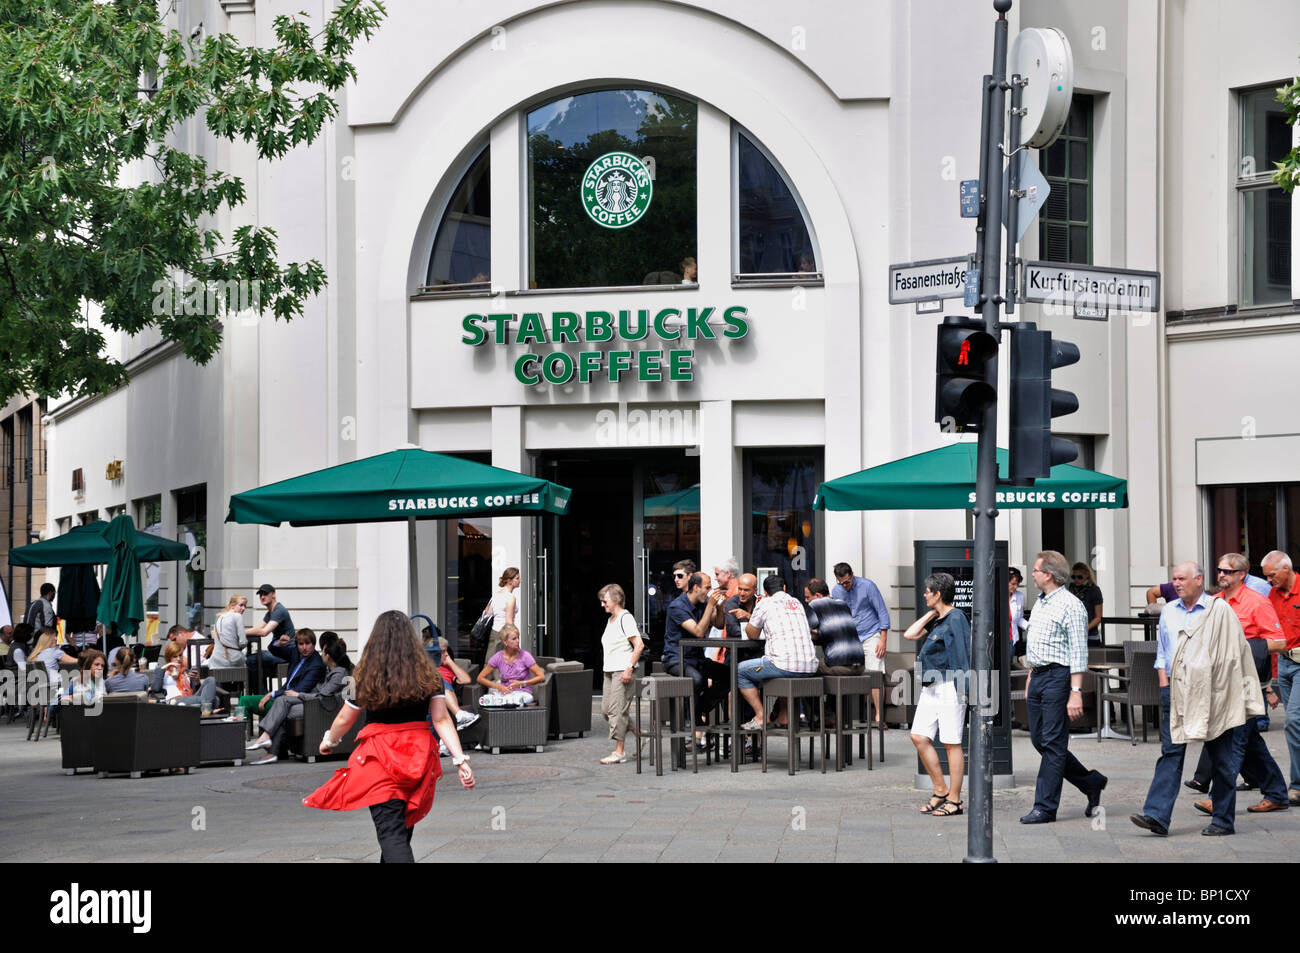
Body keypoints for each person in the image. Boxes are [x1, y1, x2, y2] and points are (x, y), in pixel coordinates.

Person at [304, 610, 475, 863]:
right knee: (399, 832)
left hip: (380, 759)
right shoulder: (430, 676)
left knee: (392, 834)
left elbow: (345, 718)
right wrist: (460, 760)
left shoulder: (364, 676)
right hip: (417, 757)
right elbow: (441, 719)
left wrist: (329, 740)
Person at [1131, 561, 1264, 837]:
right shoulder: (1168, 611)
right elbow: (1164, 653)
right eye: (1174, 579)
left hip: (1214, 694)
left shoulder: (1219, 610)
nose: (1176, 583)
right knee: (1170, 753)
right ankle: (1156, 815)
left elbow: (1234, 653)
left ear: (1198, 580)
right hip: (1176, 691)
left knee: (1222, 758)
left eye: (1181, 578)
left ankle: (1223, 820)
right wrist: (1164, 685)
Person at [1185, 552, 1284, 800]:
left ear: (1242, 575)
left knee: (1233, 742)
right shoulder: (1214, 602)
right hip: (1219, 682)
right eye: (1219, 570)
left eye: (1227, 571)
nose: (1221, 575)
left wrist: (1241, 647)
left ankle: (1217, 800)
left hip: (1248, 682)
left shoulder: (1257, 602)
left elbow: (1279, 642)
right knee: (1249, 742)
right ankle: (1277, 793)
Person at [1020, 550, 1107, 824]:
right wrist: (1030, 677)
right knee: (1040, 741)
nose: (1032, 574)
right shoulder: (1042, 602)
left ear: (1048, 574)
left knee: (1054, 744)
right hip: (1038, 676)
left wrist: (1075, 692)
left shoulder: (1071, 605)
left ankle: (1044, 807)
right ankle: (1090, 781)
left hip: (1059, 677)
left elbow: (1079, 652)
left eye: (1035, 570)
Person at [903, 573, 971, 818]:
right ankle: (940, 790)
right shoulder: (939, 619)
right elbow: (909, 634)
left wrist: (964, 691)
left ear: (937, 594)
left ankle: (954, 800)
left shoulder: (956, 619)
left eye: (927, 591)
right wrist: (932, 613)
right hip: (931, 686)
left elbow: (962, 655)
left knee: (952, 743)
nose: (924, 594)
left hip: (949, 686)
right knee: (919, 736)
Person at [247, 640, 353, 764]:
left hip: (319, 706)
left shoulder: (339, 673)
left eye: (323, 651)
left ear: (328, 655)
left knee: (283, 707)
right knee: (282, 703)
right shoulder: (331, 670)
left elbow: (323, 695)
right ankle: (269, 745)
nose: (321, 654)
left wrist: (299, 695)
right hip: (314, 703)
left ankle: (269, 745)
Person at [737, 574, 818, 729]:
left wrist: (752, 616)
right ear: (784, 588)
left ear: (765, 592)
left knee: (740, 671)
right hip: (809, 667)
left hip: (783, 666)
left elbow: (752, 634)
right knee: (778, 664)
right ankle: (784, 717)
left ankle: (761, 716)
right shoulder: (797, 603)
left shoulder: (765, 603)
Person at [661, 571, 726, 736]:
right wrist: (711, 605)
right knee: (696, 680)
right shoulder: (677, 607)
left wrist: (719, 607)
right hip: (676, 659)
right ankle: (690, 722)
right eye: (708, 587)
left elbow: (718, 624)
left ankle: (699, 711)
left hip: (696, 658)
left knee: (730, 674)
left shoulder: (703, 603)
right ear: (696, 587)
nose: (710, 591)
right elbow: (698, 632)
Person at [1262, 550, 1300, 805]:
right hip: (1284, 665)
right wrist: (1269, 682)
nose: (1268, 580)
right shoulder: (1271, 595)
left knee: (1293, 721)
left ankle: (1297, 785)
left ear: (1286, 569)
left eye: (1272, 575)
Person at [831, 562, 889, 725]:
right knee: (842, 671)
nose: (845, 586)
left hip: (871, 633)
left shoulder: (868, 586)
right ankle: (843, 716)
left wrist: (883, 639)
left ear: (852, 575)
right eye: (841, 583)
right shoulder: (837, 591)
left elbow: (881, 611)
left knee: (875, 671)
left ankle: (879, 716)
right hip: (850, 637)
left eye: (847, 582)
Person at [598, 583, 644, 764]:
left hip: (622, 671)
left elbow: (639, 645)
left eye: (605, 601)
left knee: (617, 711)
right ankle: (642, 736)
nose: (602, 604)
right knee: (606, 711)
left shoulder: (626, 618)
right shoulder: (611, 620)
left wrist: (629, 668)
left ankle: (619, 752)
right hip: (609, 670)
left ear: (616, 599)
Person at [236, 629, 326, 720]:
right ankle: (238, 730)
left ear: (314, 644)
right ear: (297, 645)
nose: (304, 647)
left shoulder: (316, 664)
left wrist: (273, 694)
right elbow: (273, 649)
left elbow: (300, 690)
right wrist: (279, 643)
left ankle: (235, 730)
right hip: (282, 696)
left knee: (245, 702)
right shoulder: (296, 653)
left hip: (291, 701)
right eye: (301, 644)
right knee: (244, 700)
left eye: (307, 643)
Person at [803, 578, 863, 676]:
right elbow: (834, 632)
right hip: (860, 666)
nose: (806, 600)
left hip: (839, 666)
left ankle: (811, 691)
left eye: (807, 597)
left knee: (806, 667)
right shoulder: (842, 604)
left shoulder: (815, 604)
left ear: (817, 595)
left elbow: (805, 632)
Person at [476, 623, 544, 706]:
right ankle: (499, 701)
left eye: (518, 638)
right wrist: (498, 686)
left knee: (513, 700)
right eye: (514, 639)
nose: (518, 641)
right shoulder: (498, 657)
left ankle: (501, 702)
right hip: (505, 693)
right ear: (505, 641)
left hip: (523, 693)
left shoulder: (525, 656)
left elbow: (541, 677)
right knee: (499, 699)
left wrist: (522, 683)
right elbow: (480, 678)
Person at [245, 584, 296, 693]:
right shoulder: (270, 613)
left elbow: (264, 632)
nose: (262, 597)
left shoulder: (279, 610)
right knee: (254, 659)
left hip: (286, 653)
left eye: (265, 594)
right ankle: (261, 694)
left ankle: (261, 695)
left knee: (252, 660)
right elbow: (258, 628)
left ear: (273, 595)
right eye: (260, 595)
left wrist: (239, 632)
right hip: (278, 651)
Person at [152, 640, 221, 710]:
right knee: (214, 700)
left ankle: (204, 709)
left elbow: (194, 692)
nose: (178, 659)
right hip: (175, 700)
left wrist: (197, 681)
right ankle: (206, 710)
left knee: (211, 679)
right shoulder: (163, 672)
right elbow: (155, 688)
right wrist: (167, 666)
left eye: (180, 655)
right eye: (175, 657)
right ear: (169, 657)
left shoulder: (186, 671)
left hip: (190, 698)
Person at [486, 568, 521, 660]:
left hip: (494, 632)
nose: (520, 580)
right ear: (510, 581)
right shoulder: (510, 597)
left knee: (492, 662)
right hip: (505, 634)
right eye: (517, 578)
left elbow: (488, 613)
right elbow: (509, 621)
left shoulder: (497, 594)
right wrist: (515, 636)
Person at [1069, 562, 1104, 646]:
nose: (1076, 579)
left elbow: (1098, 617)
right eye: (1074, 577)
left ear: (1087, 575)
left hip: (1090, 636)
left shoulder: (1094, 590)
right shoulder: (1071, 589)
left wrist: (1084, 629)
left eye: (1080, 577)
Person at [209, 594, 248, 668]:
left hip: (216, 661)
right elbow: (243, 642)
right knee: (251, 661)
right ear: (232, 605)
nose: (243, 608)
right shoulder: (237, 616)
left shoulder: (219, 617)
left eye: (245, 606)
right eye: (241, 605)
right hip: (233, 659)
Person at [724, 573, 758, 640]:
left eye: (746, 590)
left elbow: (767, 629)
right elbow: (734, 631)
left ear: (755, 591)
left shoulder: (760, 603)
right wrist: (758, 633)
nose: (742, 593)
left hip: (757, 649)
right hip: (737, 649)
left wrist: (748, 616)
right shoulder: (731, 603)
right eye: (740, 589)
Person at [1008, 567, 1028, 645]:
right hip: (997, 639)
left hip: (1011, 640)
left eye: (1017, 584)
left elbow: (1019, 619)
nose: (1016, 587)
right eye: (1013, 584)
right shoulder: (996, 595)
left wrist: (1030, 628)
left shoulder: (1020, 596)